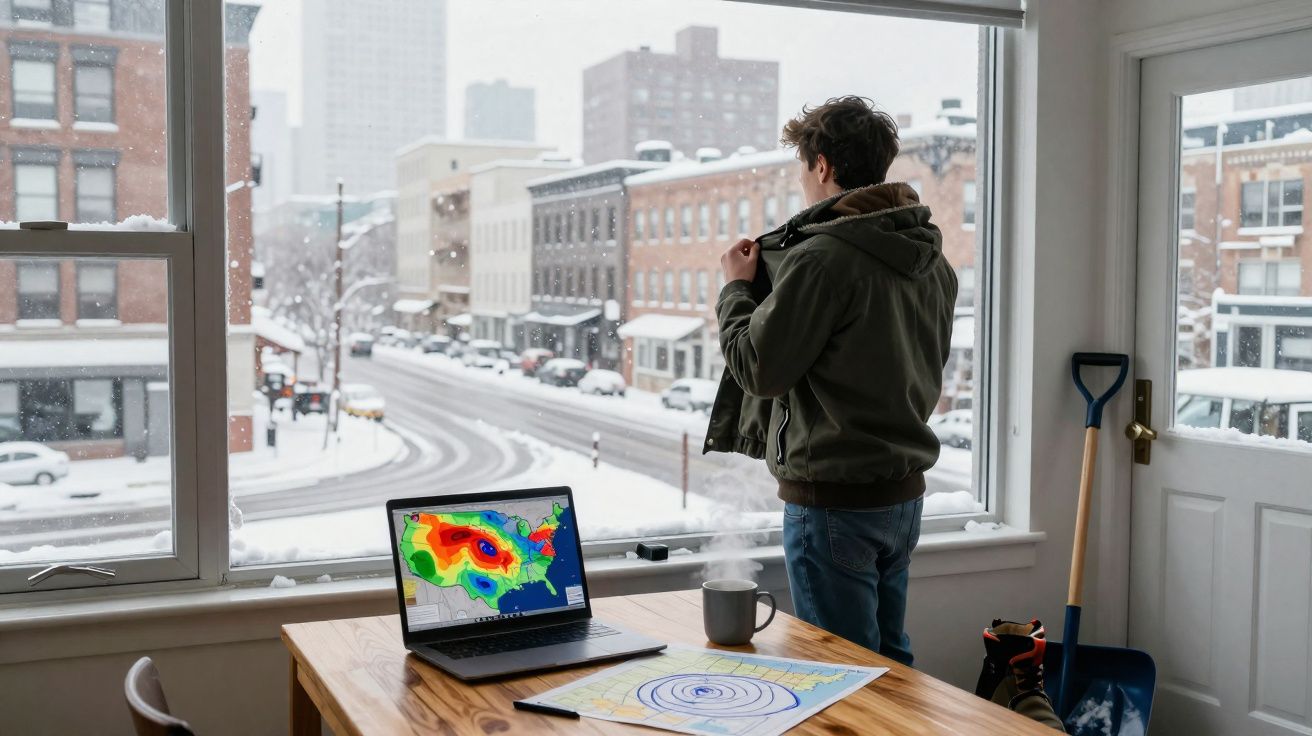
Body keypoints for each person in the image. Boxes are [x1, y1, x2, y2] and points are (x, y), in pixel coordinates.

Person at [706, 96, 956, 667]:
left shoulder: (824, 259)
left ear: (822, 166)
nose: (802, 182)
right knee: (890, 669)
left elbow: (758, 369)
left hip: (833, 503)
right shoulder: (930, 260)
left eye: (802, 168)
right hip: (902, 498)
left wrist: (736, 288)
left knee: (840, 678)